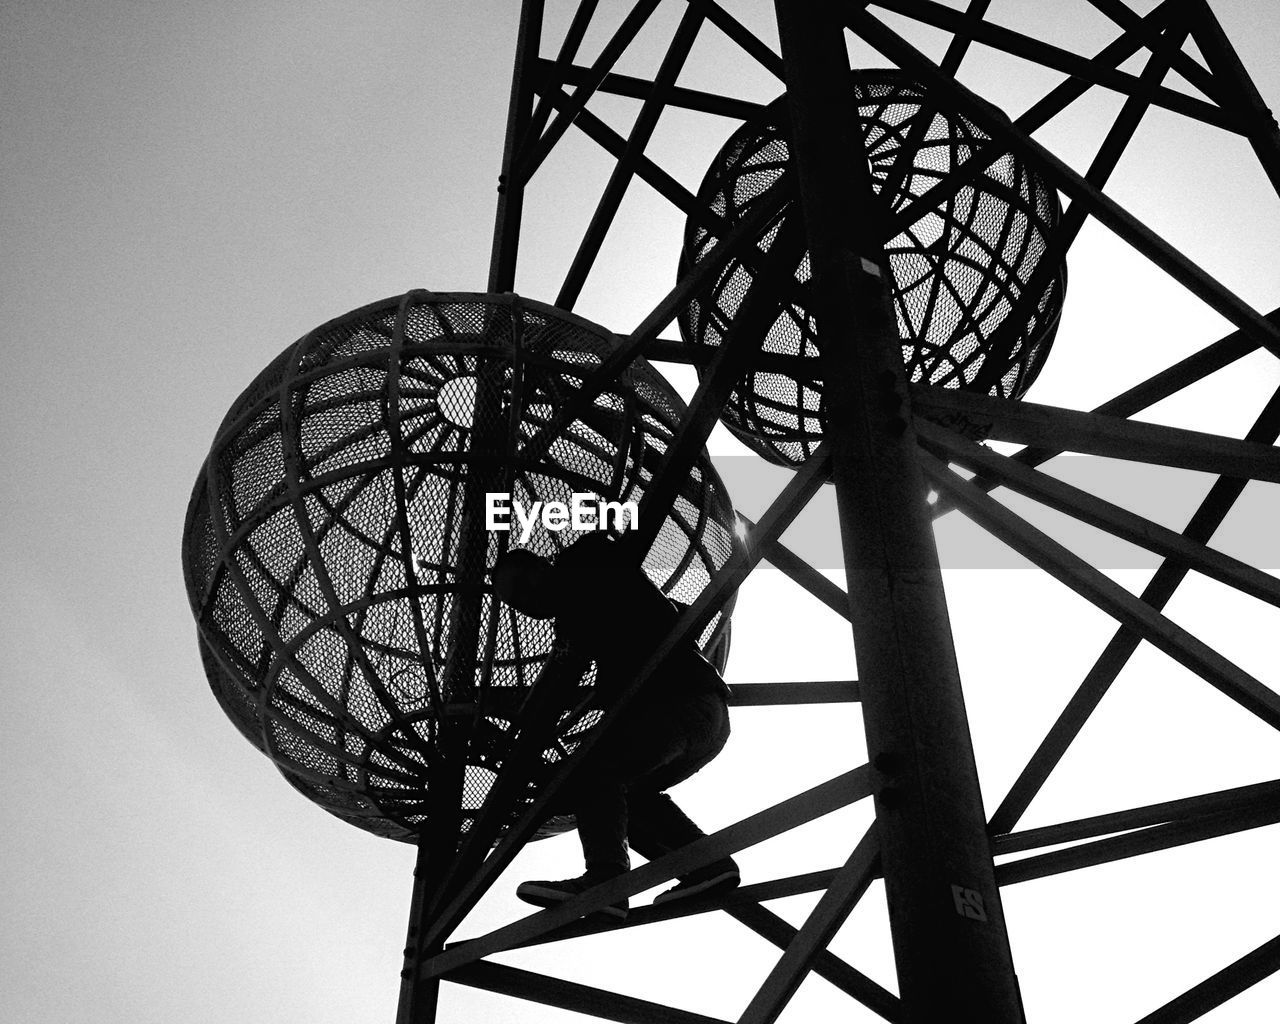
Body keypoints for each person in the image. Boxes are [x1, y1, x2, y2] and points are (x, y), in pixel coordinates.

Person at [491, 530, 739, 920]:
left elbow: (603, 549)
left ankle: (606, 881)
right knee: (625, 798)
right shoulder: (578, 622)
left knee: (593, 771)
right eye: (515, 601)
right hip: (701, 719)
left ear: (544, 566)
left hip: (680, 703)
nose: (524, 600)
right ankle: (709, 865)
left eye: (523, 584)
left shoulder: (584, 570)